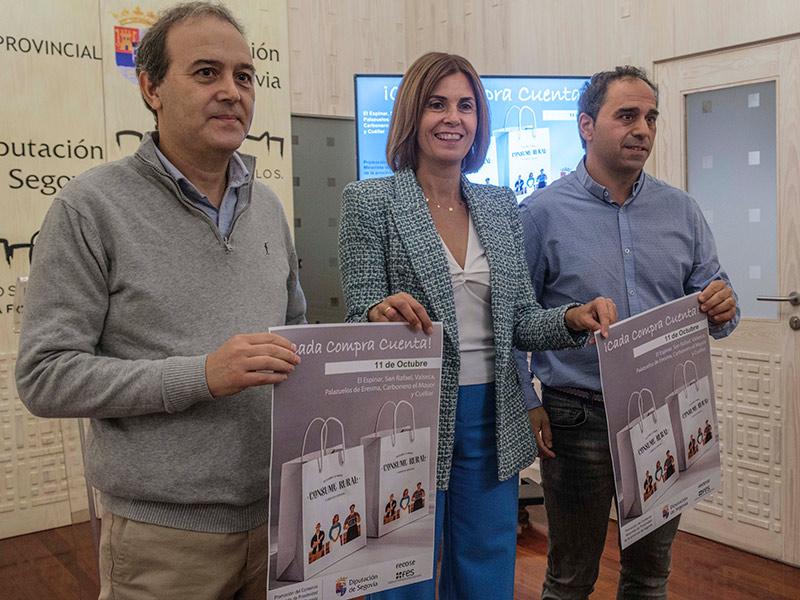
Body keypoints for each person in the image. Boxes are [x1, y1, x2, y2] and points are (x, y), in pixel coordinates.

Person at [14, 3, 305, 599]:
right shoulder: (90, 208)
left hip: (279, 519)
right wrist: (201, 375)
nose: (231, 92)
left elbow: (294, 337)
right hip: (164, 541)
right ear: (151, 88)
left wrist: (372, 334)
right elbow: (45, 377)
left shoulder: (268, 207)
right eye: (206, 73)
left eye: (244, 76)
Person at [338, 51, 616, 600]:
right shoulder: (370, 201)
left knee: (486, 566)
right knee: (401, 573)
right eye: (437, 104)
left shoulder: (499, 205)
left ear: (479, 120)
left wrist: (571, 318)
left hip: (492, 412)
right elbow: (359, 313)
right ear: (412, 114)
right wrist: (378, 313)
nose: (453, 118)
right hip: (406, 414)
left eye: (465, 106)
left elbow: (521, 321)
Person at [515, 65, 739, 600]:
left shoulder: (682, 211)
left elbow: (719, 306)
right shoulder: (540, 214)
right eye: (627, 116)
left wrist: (723, 305)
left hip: (666, 411)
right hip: (578, 419)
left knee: (650, 578)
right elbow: (513, 322)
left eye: (651, 117)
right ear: (586, 125)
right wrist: (527, 400)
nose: (643, 129)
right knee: (570, 581)